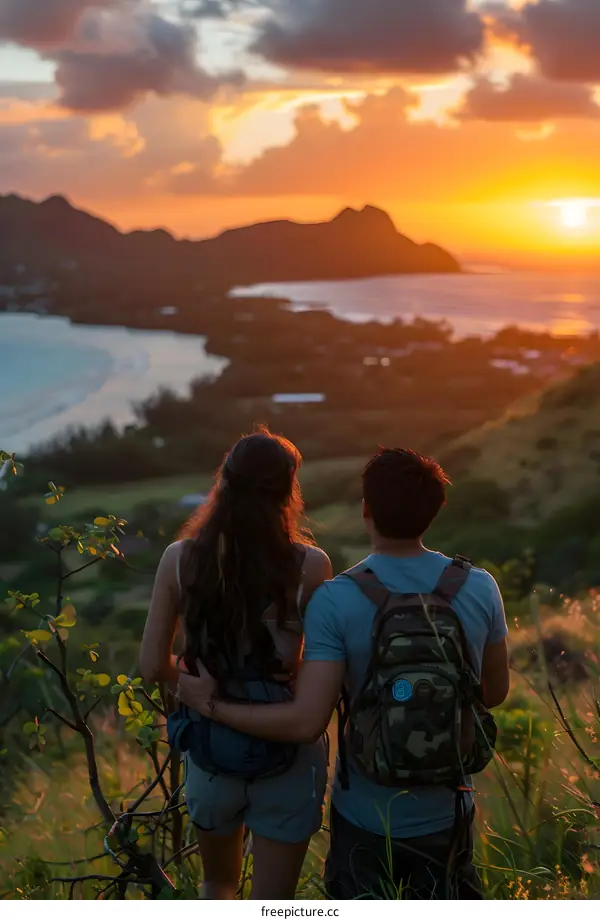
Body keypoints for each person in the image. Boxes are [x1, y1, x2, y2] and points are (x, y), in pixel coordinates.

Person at [177, 447, 510, 900]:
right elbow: (493, 692)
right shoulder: (479, 586)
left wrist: (210, 704)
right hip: (450, 810)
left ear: (365, 509)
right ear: (434, 512)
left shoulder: (338, 598)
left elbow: (305, 721)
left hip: (367, 815)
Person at [139, 428, 332, 899]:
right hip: (287, 748)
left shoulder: (180, 559)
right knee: (275, 903)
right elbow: (321, 665)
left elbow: (150, 665)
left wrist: (195, 693)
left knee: (217, 886)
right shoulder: (311, 565)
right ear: (289, 490)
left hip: (211, 754)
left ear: (223, 483)